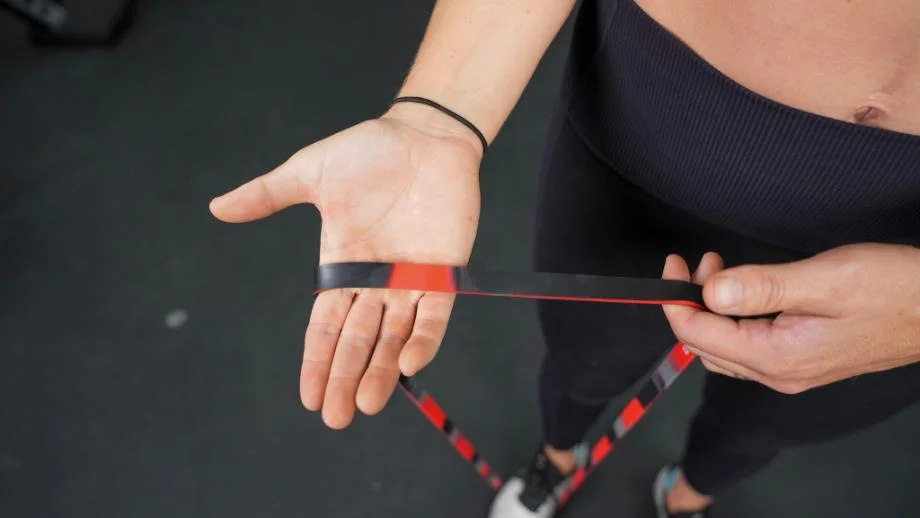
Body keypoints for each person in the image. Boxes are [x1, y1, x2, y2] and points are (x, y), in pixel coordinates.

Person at [208, 0, 920, 516]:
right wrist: (436, 115)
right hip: (647, 142)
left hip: (903, 254)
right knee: (583, 360)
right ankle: (557, 461)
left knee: (770, 421)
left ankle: (685, 502)